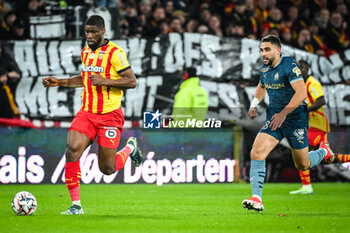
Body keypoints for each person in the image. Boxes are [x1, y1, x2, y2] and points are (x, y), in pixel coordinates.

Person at [42, 15, 142, 215]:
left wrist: (105, 81)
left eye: (93, 32)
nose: (89, 35)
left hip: (109, 116)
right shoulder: (86, 52)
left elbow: (131, 81)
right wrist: (60, 82)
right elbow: (85, 78)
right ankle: (76, 206)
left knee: (107, 169)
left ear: (103, 31)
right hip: (87, 112)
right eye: (87, 31)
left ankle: (129, 149)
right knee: (72, 149)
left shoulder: (116, 53)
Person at [242, 35, 334, 213]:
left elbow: (301, 94)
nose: (263, 54)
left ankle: (323, 151)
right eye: (261, 50)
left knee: (303, 164)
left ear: (278, 50)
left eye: (267, 49)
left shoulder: (290, 65)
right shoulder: (265, 69)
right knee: (257, 152)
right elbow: (262, 86)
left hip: (295, 119)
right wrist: (254, 104)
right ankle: (256, 198)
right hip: (275, 120)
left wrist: (284, 113)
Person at [289, 60, 350, 195]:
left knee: (302, 151)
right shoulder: (298, 85)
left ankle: (307, 186)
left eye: (302, 67)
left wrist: (305, 110)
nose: (299, 70)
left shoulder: (312, 83)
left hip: (317, 124)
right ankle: (306, 186)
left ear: (307, 69)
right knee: (324, 159)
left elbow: (321, 100)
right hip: (309, 124)